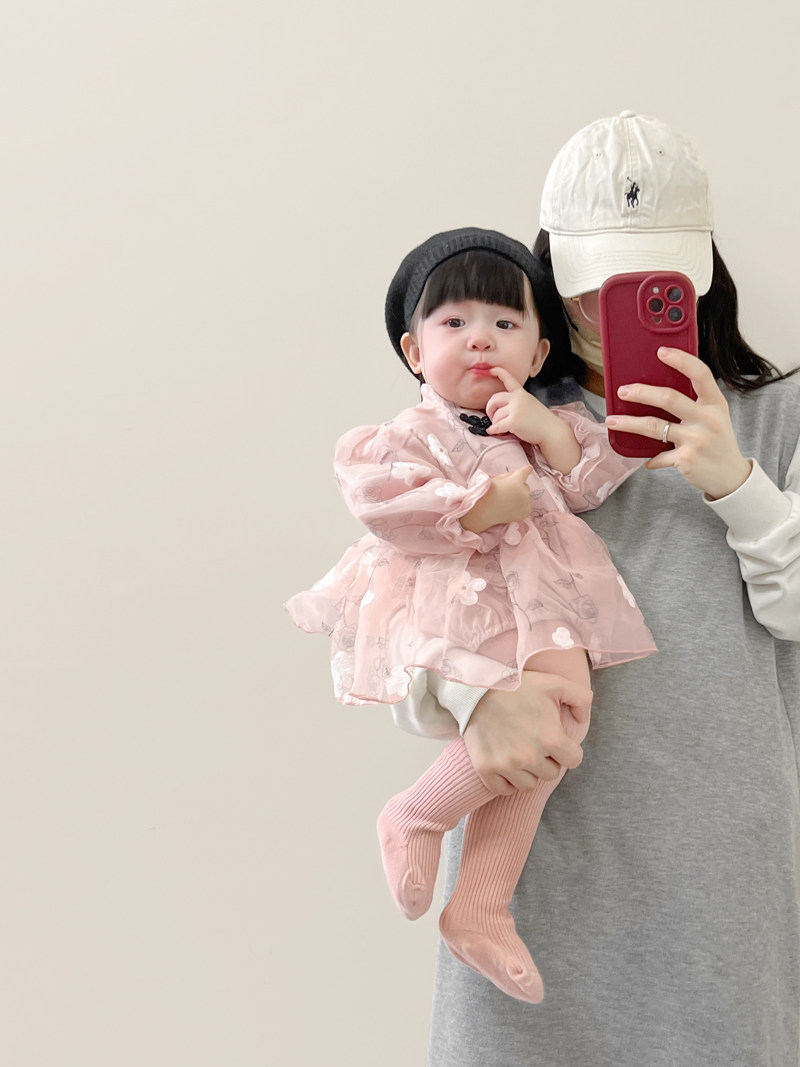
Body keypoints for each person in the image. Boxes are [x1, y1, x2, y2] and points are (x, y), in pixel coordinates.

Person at [393, 113, 800, 1066]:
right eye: (591, 284)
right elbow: (397, 625)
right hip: (525, 875)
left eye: (649, 281)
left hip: (721, 881)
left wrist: (736, 484)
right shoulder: (485, 424)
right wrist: (469, 700)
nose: (606, 306)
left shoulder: (779, 421)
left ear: (698, 275)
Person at [286, 227, 656, 1002]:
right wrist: (482, 503)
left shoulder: (537, 425)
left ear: (538, 352)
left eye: (504, 322)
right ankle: (416, 814)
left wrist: (545, 428)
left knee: (558, 726)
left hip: (542, 607)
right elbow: (384, 502)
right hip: (456, 603)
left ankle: (481, 905)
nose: (480, 338)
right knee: (527, 724)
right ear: (415, 351)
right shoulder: (409, 433)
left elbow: (593, 478)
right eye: (454, 322)